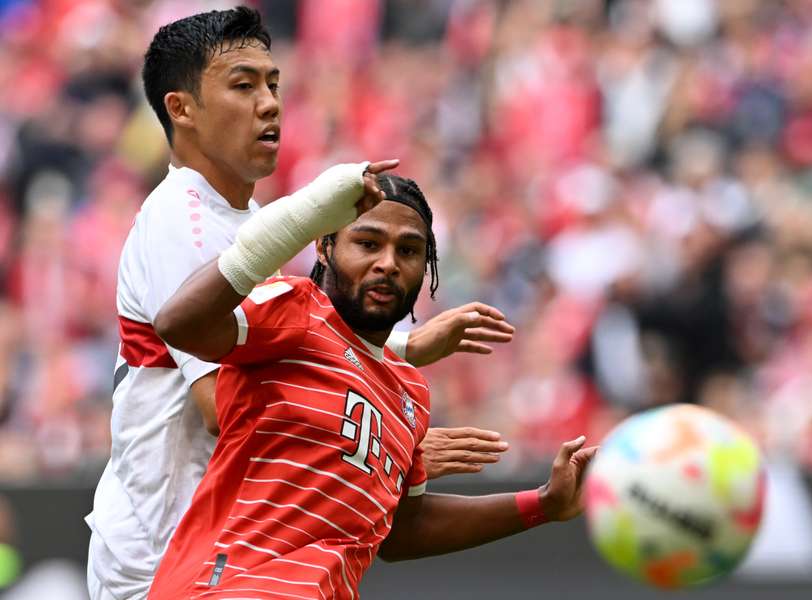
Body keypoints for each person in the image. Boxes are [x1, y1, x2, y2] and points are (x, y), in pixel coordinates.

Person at [85, 7, 513, 599]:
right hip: (166, 554)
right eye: (243, 86)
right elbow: (225, 402)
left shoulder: (247, 223)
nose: (269, 103)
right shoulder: (178, 218)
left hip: (226, 557)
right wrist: (377, 443)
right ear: (180, 109)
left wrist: (402, 347)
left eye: (273, 83)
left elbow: (291, 339)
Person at [148, 163, 596, 599]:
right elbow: (180, 324)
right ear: (324, 249)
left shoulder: (411, 393)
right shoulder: (293, 309)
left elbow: (403, 532)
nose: (388, 264)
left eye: (408, 250)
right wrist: (299, 219)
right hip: (231, 586)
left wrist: (542, 504)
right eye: (367, 243)